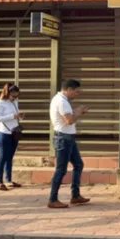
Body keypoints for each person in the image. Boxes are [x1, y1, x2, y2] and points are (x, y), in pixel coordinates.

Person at [48, 79, 90, 209]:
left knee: (78, 164)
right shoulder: (62, 101)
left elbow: (69, 118)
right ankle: (53, 199)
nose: (77, 94)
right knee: (61, 169)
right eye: (76, 92)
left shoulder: (61, 100)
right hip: (64, 138)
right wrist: (79, 112)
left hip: (67, 137)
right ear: (69, 89)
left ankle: (75, 195)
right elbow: (69, 120)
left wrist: (77, 112)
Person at [0, 83, 24, 191]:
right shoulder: (0, 103)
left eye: (17, 95)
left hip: (14, 133)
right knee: (3, 157)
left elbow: (15, 116)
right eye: (13, 95)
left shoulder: (14, 102)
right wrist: (12, 116)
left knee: (10, 157)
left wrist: (20, 116)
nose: (15, 97)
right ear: (8, 93)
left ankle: (9, 180)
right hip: (4, 133)